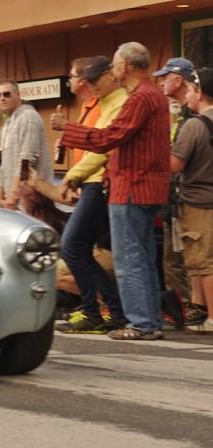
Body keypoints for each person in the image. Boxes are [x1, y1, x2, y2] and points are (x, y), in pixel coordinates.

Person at [51, 42, 171, 341]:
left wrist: (67, 129)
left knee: (129, 258)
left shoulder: (139, 97)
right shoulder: (153, 94)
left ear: (126, 66)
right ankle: (149, 320)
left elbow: (110, 138)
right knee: (141, 256)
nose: (113, 70)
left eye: (116, 64)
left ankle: (141, 323)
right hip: (146, 187)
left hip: (131, 187)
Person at [50, 56, 129, 334]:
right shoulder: (101, 103)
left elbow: (103, 146)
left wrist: (73, 175)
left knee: (73, 247)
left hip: (99, 184)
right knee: (77, 249)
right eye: (86, 79)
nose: (89, 84)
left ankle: (104, 310)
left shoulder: (118, 102)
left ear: (111, 75)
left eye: (93, 79)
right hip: (92, 183)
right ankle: (104, 310)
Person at [170, 66, 213, 334]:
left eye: (189, 89)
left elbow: (174, 164)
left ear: (199, 92)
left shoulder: (194, 126)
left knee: (205, 262)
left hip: (199, 201)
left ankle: (211, 318)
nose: (186, 94)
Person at [155, 57, 196, 322]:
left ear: (178, 79)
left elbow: (179, 159)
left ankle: (195, 308)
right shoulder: (179, 113)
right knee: (175, 260)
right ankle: (190, 309)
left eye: (165, 77)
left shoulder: (192, 115)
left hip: (188, 196)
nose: (160, 82)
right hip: (175, 197)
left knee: (183, 260)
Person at [0, 79, 53, 209]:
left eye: (6, 94)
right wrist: (0, 195)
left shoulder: (29, 117)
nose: (2, 98)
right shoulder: (7, 123)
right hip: (12, 200)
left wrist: (12, 198)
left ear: (18, 94)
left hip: (31, 199)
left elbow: (26, 161)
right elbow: (3, 166)